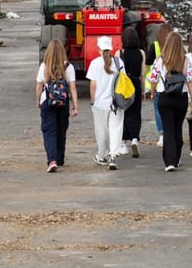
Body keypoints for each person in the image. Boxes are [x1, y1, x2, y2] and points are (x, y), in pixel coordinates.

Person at [148, 31, 192, 171]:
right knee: (178, 128)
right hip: (180, 98)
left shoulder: (160, 60)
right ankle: (176, 158)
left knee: (168, 129)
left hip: (164, 96)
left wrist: (152, 92)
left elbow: (153, 79)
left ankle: (169, 161)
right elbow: (190, 80)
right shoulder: (185, 60)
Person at [35, 39, 79, 173]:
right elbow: (72, 88)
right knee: (61, 130)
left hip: (47, 102)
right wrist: (75, 106)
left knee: (49, 131)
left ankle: (52, 160)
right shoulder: (68, 67)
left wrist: (38, 100)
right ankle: (60, 158)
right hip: (62, 103)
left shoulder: (44, 66)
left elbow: (39, 86)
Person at [86, 35, 126, 170]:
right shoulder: (119, 62)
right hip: (117, 103)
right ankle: (113, 156)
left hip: (100, 103)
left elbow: (93, 85)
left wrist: (93, 101)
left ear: (98, 48)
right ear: (111, 47)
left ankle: (102, 155)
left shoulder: (95, 64)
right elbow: (123, 80)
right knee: (116, 129)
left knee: (101, 130)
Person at [115, 27, 146, 158]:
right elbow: (143, 73)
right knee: (135, 113)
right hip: (135, 84)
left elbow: (116, 73)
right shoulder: (141, 53)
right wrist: (143, 89)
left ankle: (123, 143)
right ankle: (134, 138)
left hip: (123, 85)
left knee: (123, 113)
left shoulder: (119, 53)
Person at [146, 23, 174, 148]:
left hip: (159, 86)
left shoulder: (155, 47)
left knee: (158, 110)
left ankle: (162, 136)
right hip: (175, 86)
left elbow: (147, 66)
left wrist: (150, 90)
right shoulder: (176, 47)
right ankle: (172, 135)